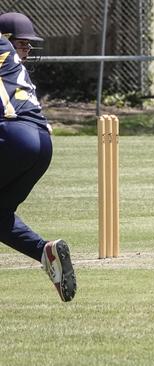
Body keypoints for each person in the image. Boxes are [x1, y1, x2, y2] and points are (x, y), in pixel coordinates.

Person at [0, 12, 76, 302]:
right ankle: (45, 252)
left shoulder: (2, 49)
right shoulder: (13, 72)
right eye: (23, 44)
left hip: (14, 138)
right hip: (41, 145)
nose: (27, 50)